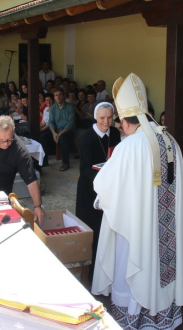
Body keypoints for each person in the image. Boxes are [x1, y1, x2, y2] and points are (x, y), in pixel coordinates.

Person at [92, 73, 183, 330]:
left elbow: (105, 185)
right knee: (161, 266)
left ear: (125, 121)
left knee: (135, 264)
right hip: (167, 230)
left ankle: (134, 316)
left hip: (138, 228)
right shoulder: (171, 141)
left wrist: (102, 200)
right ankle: (162, 316)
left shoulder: (129, 146)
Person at [76, 102, 121, 282]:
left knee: (109, 232)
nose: (106, 122)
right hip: (90, 190)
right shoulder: (87, 137)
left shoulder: (116, 134)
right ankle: (93, 275)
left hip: (110, 189)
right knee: (93, 234)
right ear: (95, 117)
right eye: (102, 118)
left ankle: (108, 273)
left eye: (110, 117)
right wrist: (104, 178)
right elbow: (84, 169)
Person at [39, 88, 75, 171]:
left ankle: (65, 163)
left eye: (60, 95)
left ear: (63, 96)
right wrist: (54, 133)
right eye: (56, 95)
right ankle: (44, 161)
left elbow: (71, 124)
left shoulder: (69, 107)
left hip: (67, 131)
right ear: (54, 97)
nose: (58, 97)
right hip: (56, 131)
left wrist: (59, 134)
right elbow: (51, 122)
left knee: (62, 138)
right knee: (43, 137)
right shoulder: (53, 108)